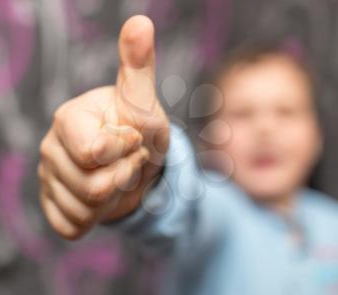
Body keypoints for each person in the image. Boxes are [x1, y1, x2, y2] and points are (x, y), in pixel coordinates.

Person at [38, 15, 338, 295]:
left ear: (318, 136)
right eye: (243, 114)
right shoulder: (219, 214)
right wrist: (148, 171)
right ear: (211, 140)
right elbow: (184, 204)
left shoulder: (331, 221)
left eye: (286, 112)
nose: (265, 129)